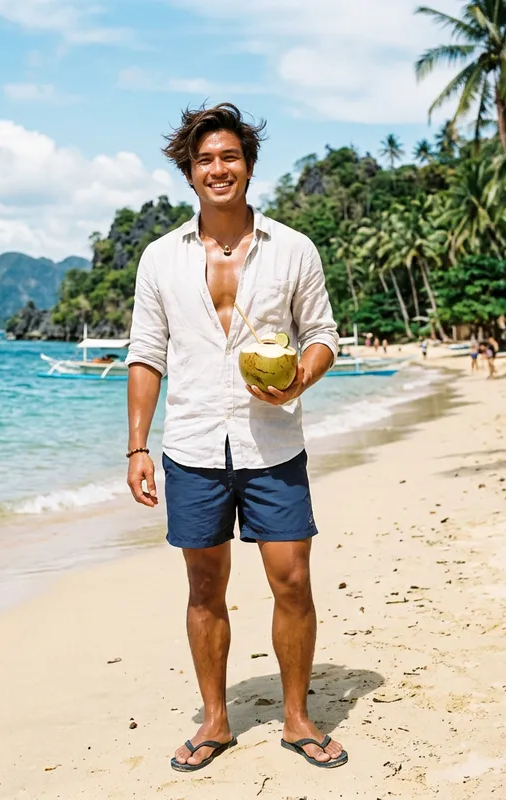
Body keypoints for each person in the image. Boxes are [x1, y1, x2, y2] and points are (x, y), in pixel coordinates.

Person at [124, 103, 347, 772]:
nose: (218, 169)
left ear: (247, 165)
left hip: (272, 443)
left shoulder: (293, 248)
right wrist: (137, 446)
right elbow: (146, 352)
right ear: (188, 173)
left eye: (229, 157)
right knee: (203, 587)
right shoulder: (160, 258)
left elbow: (323, 336)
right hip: (192, 444)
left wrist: (300, 379)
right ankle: (215, 722)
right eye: (205, 160)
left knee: (292, 580)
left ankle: (299, 718)